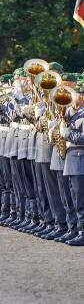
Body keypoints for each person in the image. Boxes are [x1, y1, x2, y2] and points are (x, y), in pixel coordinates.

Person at [60, 79, 84, 246]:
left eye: (76, 95)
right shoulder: (71, 113)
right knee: (74, 198)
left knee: (80, 200)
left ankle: (82, 232)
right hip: (71, 160)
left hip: (79, 159)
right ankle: (75, 229)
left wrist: (66, 132)